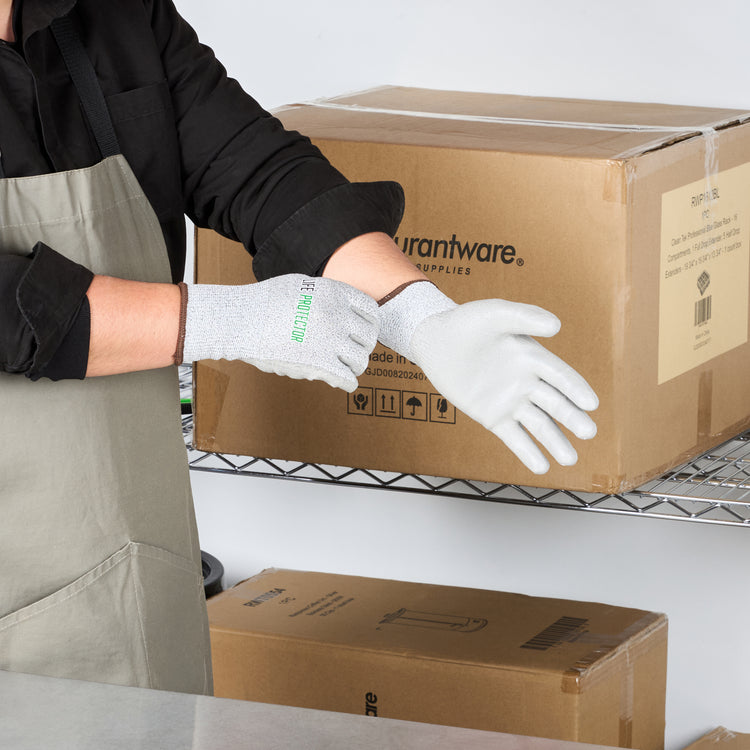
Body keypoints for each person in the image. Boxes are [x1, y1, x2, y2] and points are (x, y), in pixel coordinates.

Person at [0, 0, 598, 695]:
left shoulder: (116, 16)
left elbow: (257, 170)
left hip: (128, 550)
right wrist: (223, 320)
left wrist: (418, 317)